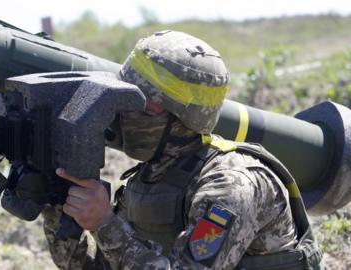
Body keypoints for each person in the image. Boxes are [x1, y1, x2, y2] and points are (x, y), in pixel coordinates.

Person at [42, 30, 323, 270]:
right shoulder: (154, 174)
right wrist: (55, 201)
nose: (122, 114)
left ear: (181, 120)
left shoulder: (230, 186)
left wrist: (105, 224)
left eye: (141, 107)